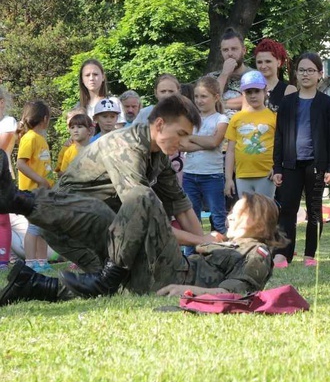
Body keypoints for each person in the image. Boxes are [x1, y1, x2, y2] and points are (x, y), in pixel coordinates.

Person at [0, 95, 206, 297]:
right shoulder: (125, 147)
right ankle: (15, 199)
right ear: (160, 124)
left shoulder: (159, 156)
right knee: (119, 283)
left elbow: (181, 206)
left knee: (110, 285)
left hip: (102, 225)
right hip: (68, 223)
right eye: (181, 134)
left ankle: (31, 284)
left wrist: (207, 244)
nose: (185, 143)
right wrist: (199, 239)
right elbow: (139, 216)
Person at [0, 193, 284, 305]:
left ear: (259, 220)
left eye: (238, 213)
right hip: (161, 271)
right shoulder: (227, 242)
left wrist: (191, 291)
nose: (231, 217)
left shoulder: (256, 252)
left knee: (145, 199)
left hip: (176, 275)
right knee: (60, 226)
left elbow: (238, 291)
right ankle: (32, 284)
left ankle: (107, 275)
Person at [273, 53, 330, 268]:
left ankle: (310, 254)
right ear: (295, 74)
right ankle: (283, 254)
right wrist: (277, 167)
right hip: (291, 164)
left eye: (311, 70)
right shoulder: (287, 103)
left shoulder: (326, 103)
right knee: (287, 210)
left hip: (316, 165)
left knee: (314, 210)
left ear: (320, 74)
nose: (306, 74)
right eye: (302, 70)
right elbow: (279, 136)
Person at [181, 76, 230, 237]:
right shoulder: (190, 119)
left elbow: (215, 142)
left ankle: (221, 254)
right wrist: (204, 141)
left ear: (216, 97)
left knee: (217, 217)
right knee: (192, 218)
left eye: (204, 96)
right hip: (190, 175)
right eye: (196, 96)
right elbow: (182, 144)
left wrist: (193, 138)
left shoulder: (221, 119)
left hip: (212, 176)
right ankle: (191, 256)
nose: (199, 100)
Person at [224, 70, 277, 200]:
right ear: (243, 94)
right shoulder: (236, 118)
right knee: (246, 215)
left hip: (266, 174)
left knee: (264, 213)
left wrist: (277, 168)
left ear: (265, 91)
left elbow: (279, 147)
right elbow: (230, 151)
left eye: (257, 91)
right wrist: (228, 179)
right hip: (242, 175)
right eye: (249, 92)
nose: (253, 95)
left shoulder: (273, 117)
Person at [16, 100, 54, 273]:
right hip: (32, 192)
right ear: (45, 118)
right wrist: (40, 180)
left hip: (43, 192)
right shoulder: (29, 138)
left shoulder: (40, 139)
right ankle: (30, 262)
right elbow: (20, 164)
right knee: (33, 227)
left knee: (43, 226)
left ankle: (42, 260)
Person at [213, 28, 253, 115]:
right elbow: (209, 99)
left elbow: (253, 99)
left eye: (234, 49)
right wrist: (224, 74)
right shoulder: (212, 77)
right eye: (225, 50)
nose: (230, 53)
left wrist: (220, 103)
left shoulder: (254, 76)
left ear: (244, 50)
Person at [76, 59, 125, 126]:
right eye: (87, 75)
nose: (91, 78)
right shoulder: (78, 107)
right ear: (82, 79)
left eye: (95, 74)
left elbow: (119, 131)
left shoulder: (113, 102)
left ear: (103, 77)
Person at [254, 38, 297, 113]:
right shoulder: (250, 89)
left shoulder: (289, 90)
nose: (263, 66)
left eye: (268, 61)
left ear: (279, 62)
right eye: (259, 62)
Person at [0, 86, 16, 268]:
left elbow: (2, 147)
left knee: (3, 218)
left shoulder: (8, 122)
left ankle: (3, 260)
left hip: (2, 177)